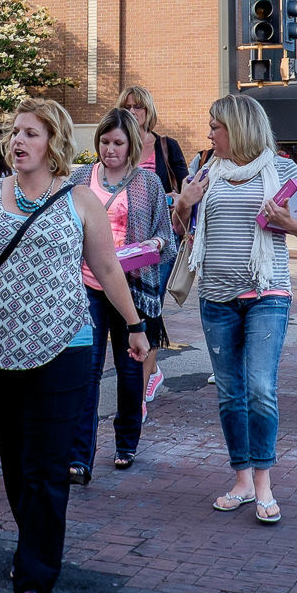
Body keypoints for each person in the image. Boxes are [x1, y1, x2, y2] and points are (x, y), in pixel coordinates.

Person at [0, 97, 149, 593]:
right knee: (15, 465)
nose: (18, 141)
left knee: (48, 469)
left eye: (30, 132)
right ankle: (33, 546)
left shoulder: (79, 199)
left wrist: (136, 325)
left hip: (67, 348)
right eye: (14, 132)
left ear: (53, 142)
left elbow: (106, 266)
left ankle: (32, 583)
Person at [171, 94, 297, 525]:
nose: (209, 134)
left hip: (267, 293)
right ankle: (240, 479)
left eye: (214, 126)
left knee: (260, 388)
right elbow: (185, 231)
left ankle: (263, 484)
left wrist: (287, 221)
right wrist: (184, 205)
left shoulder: (282, 170)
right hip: (216, 296)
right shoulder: (206, 173)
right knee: (229, 392)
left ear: (237, 128)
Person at [67, 108, 175, 482]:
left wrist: (155, 242)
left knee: (130, 372)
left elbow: (167, 237)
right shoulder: (79, 178)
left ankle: (127, 442)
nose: (109, 149)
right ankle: (80, 457)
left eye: (117, 143)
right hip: (86, 287)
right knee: (87, 372)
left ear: (131, 146)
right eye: (104, 141)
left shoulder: (147, 184)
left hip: (133, 289)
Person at [116, 85, 187, 402]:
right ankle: (143, 368)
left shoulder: (165, 146)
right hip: (124, 241)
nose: (133, 111)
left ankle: (149, 372)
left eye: (138, 107)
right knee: (129, 307)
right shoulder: (117, 145)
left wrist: (171, 197)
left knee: (151, 303)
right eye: (127, 106)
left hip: (159, 241)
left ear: (148, 110)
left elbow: (186, 188)